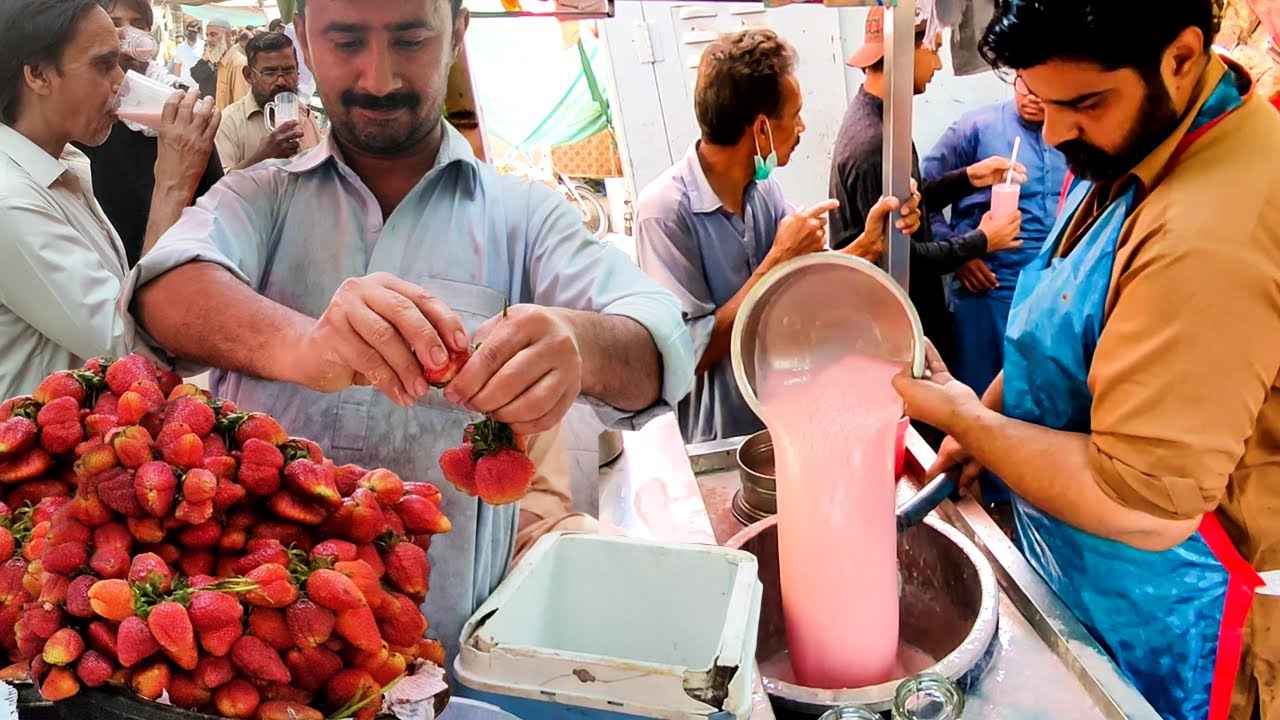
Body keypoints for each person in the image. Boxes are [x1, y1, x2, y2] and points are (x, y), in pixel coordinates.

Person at [124, 0, 694, 661]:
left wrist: (580, 344)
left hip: (444, 658)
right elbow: (162, 288)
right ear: (304, 38)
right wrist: (301, 345)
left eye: (410, 39)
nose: (379, 77)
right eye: (346, 41)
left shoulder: (524, 218)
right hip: (254, 654)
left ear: (457, 32)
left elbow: (661, 338)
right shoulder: (261, 198)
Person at [893, 1, 1280, 718]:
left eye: (1084, 104)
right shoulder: (1147, 139)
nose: (1055, 129)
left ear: (1182, 57)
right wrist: (989, 412)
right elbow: (1068, 321)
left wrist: (967, 421)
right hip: (1099, 582)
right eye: (1042, 99)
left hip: (1182, 610)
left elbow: (1142, 505)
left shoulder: (1207, 236)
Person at [636, 29, 921, 444]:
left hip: (787, 419)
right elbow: (687, 353)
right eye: (796, 114)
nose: (803, 127)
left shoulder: (762, 187)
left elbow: (804, 284)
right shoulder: (664, 211)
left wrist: (867, 245)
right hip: (723, 440)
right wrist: (775, 263)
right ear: (762, 130)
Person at [0, 0, 218, 400]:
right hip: (38, 456)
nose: (121, 81)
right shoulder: (9, 201)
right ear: (38, 75)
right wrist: (172, 184)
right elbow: (132, 351)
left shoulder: (63, 165)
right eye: (103, 65)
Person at [830, 6, 1025, 367]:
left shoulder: (880, 118)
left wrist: (969, 178)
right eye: (934, 49)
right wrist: (983, 240)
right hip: (896, 328)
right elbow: (904, 258)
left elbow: (908, 202)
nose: (937, 65)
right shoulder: (875, 144)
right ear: (905, 51)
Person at [920, 92, 1067, 503]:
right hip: (986, 288)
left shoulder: (1071, 134)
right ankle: (992, 501)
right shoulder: (975, 128)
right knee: (980, 404)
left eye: (1042, 89)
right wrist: (961, 252)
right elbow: (922, 193)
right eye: (1023, 84)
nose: (1033, 98)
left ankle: (1031, 497)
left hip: (1048, 294)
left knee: (1034, 400)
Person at [76, 0, 224, 268]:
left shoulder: (181, 103)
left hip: (187, 259)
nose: (127, 35)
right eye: (114, 24)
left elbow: (214, 195)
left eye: (138, 24)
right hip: (114, 268)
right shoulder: (85, 117)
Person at [215, 31, 321, 172]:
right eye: (269, 73)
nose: (281, 81)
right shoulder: (230, 122)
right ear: (249, 76)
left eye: (289, 71)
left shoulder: (304, 114)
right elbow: (219, 189)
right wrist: (262, 158)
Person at [199, 17, 249, 110]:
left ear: (228, 36)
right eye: (207, 35)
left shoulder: (239, 64)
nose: (209, 39)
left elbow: (240, 108)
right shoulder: (219, 62)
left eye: (213, 34)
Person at [173, 17, 203, 90]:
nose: (192, 34)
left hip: (200, 88)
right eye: (190, 31)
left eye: (194, 32)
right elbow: (177, 68)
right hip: (184, 87)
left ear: (199, 33)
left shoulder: (204, 46)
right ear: (186, 31)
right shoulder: (180, 47)